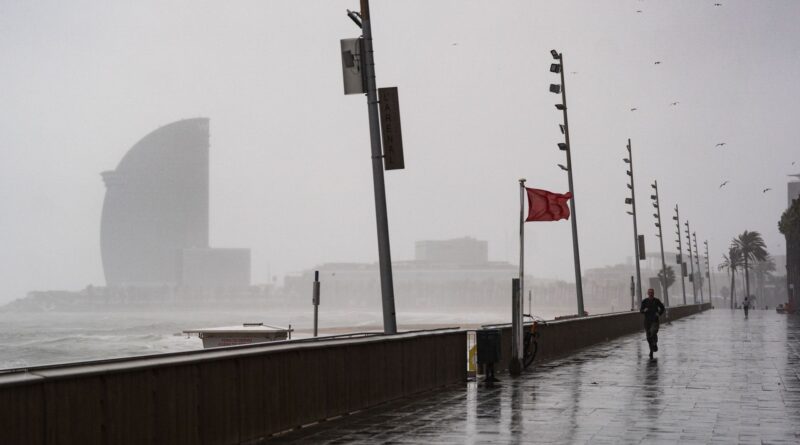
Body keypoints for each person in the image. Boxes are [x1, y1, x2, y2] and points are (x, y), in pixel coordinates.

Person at [640, 288, 665, 360]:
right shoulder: (644, 301)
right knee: (648, 337)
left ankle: (655, 342)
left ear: (653, 293)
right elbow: (641, 310)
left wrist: (659, 313)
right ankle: (651, 350)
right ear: (648, 293)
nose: (651, 293)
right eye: (649, 292)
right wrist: (644, 310)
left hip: (655, 321)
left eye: (652, 292)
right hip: (647, 321)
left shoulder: (656, 301)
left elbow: (662, 308)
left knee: (653, 332)